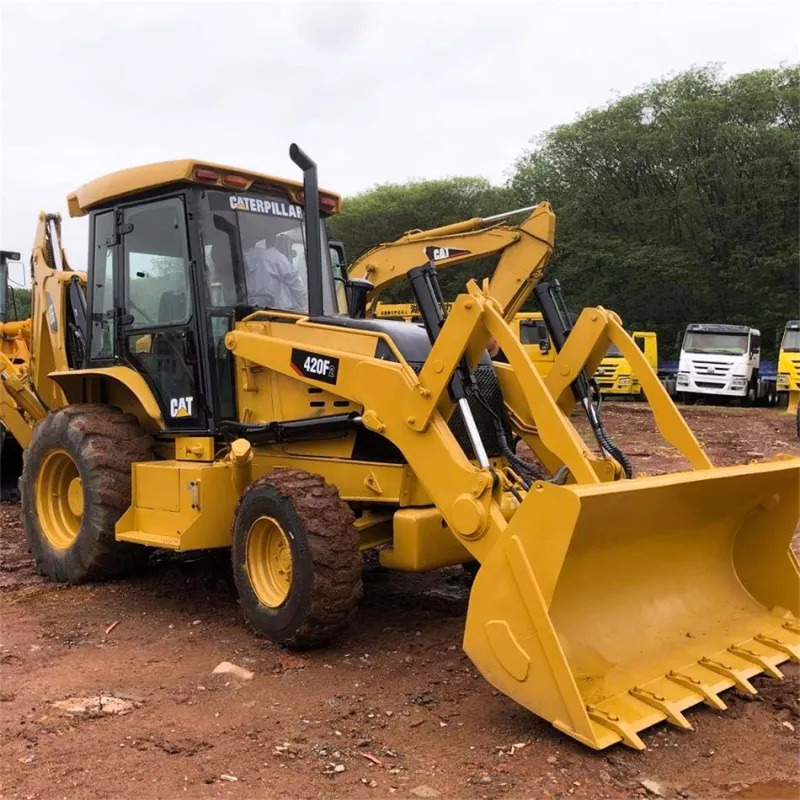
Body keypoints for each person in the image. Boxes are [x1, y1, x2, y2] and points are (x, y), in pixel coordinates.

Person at [243, 235, 307, 312]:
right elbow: (294, 279)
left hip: (261, 311)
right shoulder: (273, 256)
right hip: (273, 311)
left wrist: (303, 303)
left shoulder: (238, 260)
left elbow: (293, 278)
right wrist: (304, 303)